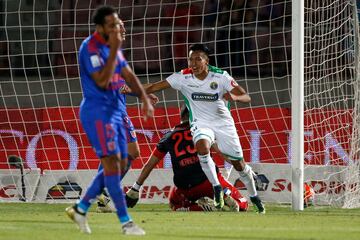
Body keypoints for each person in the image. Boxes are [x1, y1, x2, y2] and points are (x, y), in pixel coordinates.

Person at [143, 43, 265, 213]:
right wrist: (132, 89)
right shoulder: (182, 77)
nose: (193, 63)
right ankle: (216, 188)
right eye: (190, 59)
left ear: (206, 61)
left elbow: (246, 96)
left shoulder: (221, 76)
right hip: (200, 123)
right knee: (202, 146)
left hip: (223, 123)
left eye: (197, 59)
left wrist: (235, 97)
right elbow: (154, 86)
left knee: (239, 163)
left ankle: (254, 197)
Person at [65, 5, 154, 235]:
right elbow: (103, 81)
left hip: (115, 110)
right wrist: (114, 49)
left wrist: (143, 97)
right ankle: (126, 223)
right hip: (98, 111)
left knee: (123, 161)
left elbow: (127, 74)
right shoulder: (90, 48)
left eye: (118, 24)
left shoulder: (110, 47)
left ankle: (81, 208)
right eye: (112, 25)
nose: (117, 28)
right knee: (114, 164)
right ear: (100, 27)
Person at [125, 106, 248, 212]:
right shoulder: (203, 132)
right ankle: (221, 196)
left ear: (181, 116)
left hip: (185, 188)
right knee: (243, 204)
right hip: (208, 182)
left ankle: (200, 207)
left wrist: (135, 188)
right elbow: (223, 154)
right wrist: (245, 169)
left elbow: (150, 164)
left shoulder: (168, 136)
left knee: (174, 205)